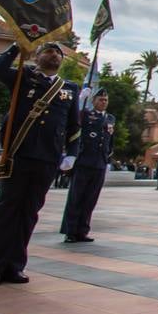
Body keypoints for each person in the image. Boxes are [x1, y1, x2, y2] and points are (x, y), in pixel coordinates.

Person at [0, 42, 80, 287]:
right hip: (18, 154)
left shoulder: (69, 88)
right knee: (6, 211)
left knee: (29, 213)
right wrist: (18, 45)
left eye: (58, 52)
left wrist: (72, 153)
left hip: (48, 158)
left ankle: (15, 265)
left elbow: (73, 126)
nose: (54, 54)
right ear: (36, 56)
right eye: (48, 50)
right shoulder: (22, 77)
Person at [60, 88, 115, 243]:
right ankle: (70, 231)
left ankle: (82, 231)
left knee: (90, 199)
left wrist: (108, 160)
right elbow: (72, 123)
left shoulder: (110, 118)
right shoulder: (84, 115)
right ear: (93, 101)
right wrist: (79, 100)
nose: (103, 102)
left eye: (105, 100)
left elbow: (110, 142)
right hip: (84, 161)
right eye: (100, 99)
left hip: (99, 163)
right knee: (76, 198)